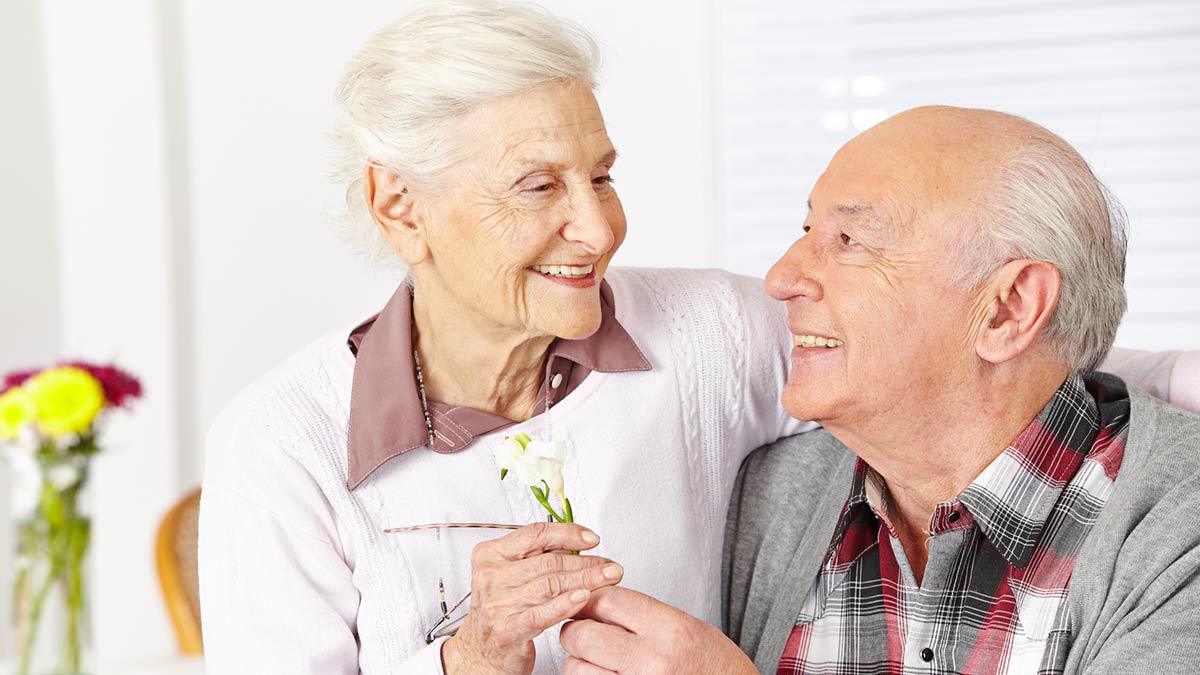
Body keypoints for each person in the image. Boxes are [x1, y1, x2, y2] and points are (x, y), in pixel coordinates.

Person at [197, 3, 1195, 672]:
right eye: (539, 187)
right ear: (400, 207)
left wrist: (1175, 379)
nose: (599, 230)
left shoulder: (703, 339)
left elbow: (972, 347)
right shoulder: (283, 444)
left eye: (604, 177)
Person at [557, 107, 1200, 675]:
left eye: (851, 242)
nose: (782, 277)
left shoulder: (1178, 531)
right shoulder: (772, 496)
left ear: (1008, 310)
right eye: (807, 231)